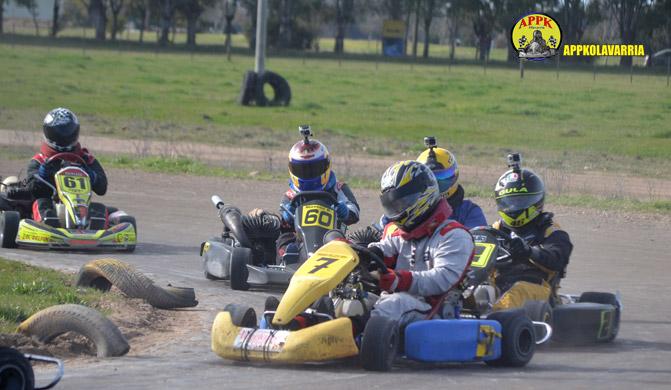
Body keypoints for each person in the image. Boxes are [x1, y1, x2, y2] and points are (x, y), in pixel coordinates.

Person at [367, 160, 474, 327]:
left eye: (402, 202)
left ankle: (361, 346)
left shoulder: (454, 235)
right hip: (396, 299)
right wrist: (359, 255)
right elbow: (382, 250)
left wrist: (400, 280)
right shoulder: (404, 234)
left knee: (393, 305)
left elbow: (442, 279)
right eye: (393, 204)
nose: (398, 208)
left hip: (432, 310)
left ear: (424, 194)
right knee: (348, 300)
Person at [491, 153, 572, 310]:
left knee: (518, 291)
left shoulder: (551, 231)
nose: (514, 207)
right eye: (509, 202)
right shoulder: (495, 230)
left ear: (536, 200)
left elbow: (557, 260)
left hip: (538, 290)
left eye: (520, 201)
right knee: (472, 289)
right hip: (499, 286)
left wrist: (529, 252)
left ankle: (493, 324)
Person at [274, 126, 360, 259]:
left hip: (332, 238)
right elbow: (283, 223)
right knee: (284, 240)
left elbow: (355, 212)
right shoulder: (291, 195)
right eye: (302, 170)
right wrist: (287, 216)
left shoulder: (338, 188)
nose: (308, 174)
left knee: (358, 245)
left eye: (313, 169)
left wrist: (346, 211)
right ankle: (285, 262)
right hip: (299, 241)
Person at [26, 108, 108, 227]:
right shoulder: (39, 160)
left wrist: (91, 175)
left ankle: (91, 227)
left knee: (99, 209)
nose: (63, 137)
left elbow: (102, 188)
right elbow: (32, 191)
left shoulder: (86, 159)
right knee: (41, 203)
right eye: (58, 133)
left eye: (67, 132)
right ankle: (48, 226)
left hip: (80, 205)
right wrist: (43, 175)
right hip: (53, 205)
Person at [416, 137, 487, 228]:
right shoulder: (411, 213)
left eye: (443, 176)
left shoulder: (468, 211)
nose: (437, 184)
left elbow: (477, 239)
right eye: (431, 178)